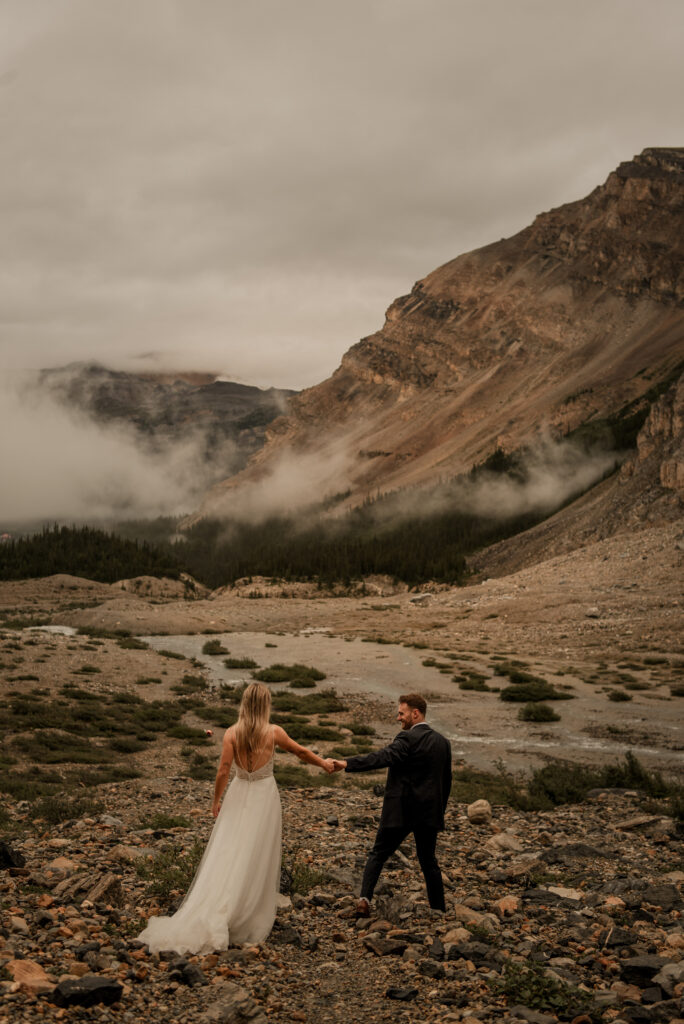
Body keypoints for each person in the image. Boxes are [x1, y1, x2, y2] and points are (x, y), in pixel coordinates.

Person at [138, 681, 334, 954]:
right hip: (264, 796)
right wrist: (324, 763)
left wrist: (216, 800)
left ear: (243, 704)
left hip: (239, 792)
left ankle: (220, 902)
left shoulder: (232, 733)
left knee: (229, 849)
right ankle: (246, 909)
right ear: (265, 705)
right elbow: (300, 752)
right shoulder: (274, 732)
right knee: (256, 851)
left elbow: (223, 770)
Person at [331, 692, 451, 915]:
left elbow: (382, 757)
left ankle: (364, 900)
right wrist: (438, 813)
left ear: (415, 713)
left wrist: (346, 763)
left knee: (378, 854)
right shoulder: (443, 743)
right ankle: (439, 910)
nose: (398, 718)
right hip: (428, 814)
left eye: (401, 713)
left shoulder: (405, 739)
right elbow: (446, 782)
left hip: (401, 811)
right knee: (428, 861)